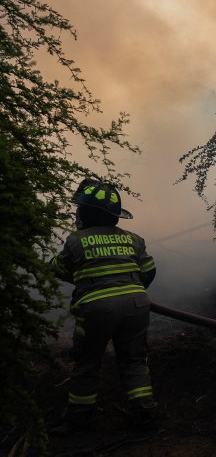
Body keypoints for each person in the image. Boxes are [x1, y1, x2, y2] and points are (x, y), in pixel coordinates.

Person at [51, 179, 158, 433]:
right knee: (133, 360)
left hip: (96, 308)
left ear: (85, 213)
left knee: (88, 361)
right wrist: (129, 287)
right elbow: (149, 271)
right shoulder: (134, 239)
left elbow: (58, 268)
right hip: (137, 303)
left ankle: (78, 419)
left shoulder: (76, 240)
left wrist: (88, 278)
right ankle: (144, 412)